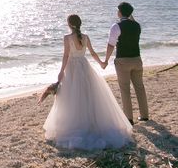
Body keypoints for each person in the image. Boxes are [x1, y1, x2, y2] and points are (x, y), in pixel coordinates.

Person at [43, 14, 133, 150]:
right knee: (87, 95)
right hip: (84, 66)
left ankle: (75, 124)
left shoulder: (67, 38)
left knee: (72, 97)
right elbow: (92, 53)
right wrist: (101, 63)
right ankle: (89, 123)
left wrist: (61, 71)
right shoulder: (85, 37)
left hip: (72, 68)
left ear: (69, 24)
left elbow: (66, 56)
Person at [103, 2, 149, 125]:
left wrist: (106, 60)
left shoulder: (116, 26)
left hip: (123, 61)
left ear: (120, 12)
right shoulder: (137, 26)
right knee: (140, 87)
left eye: (118, 10)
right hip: (137, 59)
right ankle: (145, 115)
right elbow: (132, 22)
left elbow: (111, 45)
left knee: (125, 89)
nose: (117, 12)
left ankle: (129, 118)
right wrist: (129, 15)